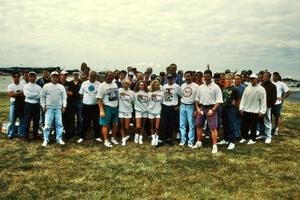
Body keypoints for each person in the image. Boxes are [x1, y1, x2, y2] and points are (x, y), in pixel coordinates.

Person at [194, 70, 223, 153]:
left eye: (208, 76)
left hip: (211, 108)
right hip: (202, 108)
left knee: (213, 128)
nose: (206, 78)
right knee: (198, 125)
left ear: (211, 76)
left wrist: (213, 110)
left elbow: (219, 101)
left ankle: (214, 145)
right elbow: (196, 99)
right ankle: (199, 142)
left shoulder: (216, 87)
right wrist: (198, 108)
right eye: (205, 76)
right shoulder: (201, 87)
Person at [40, 71, 67, 147]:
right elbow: (42, 97)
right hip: (49, 108)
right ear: (51, 78)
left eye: (56, 77)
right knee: (47, 124)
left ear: (58, 78)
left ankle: (59, 138)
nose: (54, 78)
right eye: (53, 77)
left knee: (59, 124)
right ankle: (46, 139)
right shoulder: (46, 86)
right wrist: (43, 106)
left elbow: (64, 98)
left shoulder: (61, 87)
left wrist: (64, 106)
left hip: (58, 108)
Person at [239, 74, 266, 145]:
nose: (252, 80)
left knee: (253, 126)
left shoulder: (261, 89)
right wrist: (241, 108)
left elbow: (263, 101)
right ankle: (244, 138)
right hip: (246, 110)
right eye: (251, 79)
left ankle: (252, 139)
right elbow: (243, 99)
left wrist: (262, 111)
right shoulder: (247, 88)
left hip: (255, 111)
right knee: (244, 126)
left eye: (254, 79)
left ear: (257, 80)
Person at [77, 71, 102, 144]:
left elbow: (100, 95)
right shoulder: (84, 83)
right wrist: (87, 99)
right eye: (91, 76)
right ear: (89, 76)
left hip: (95, 106)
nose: (92, 77)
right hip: (86, 106)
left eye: (94, 76)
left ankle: (97, 136)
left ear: (96, 76)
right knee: (85, 122)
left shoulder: (99, 84)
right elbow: (81, 94)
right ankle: (82, 137)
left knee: (96, 122)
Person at [97, 71, 119, 148]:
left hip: (115, 107)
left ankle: (113, 138)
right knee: (105, 125)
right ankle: (106, 140)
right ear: (105, 76)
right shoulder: (102, 86)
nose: (110, 77)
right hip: (107, 107)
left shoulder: (115, 84)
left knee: (115, 124)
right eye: (108, 76)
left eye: (111, 76)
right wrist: (101, 110)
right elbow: (99, 99)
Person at [158, 73, 182, 146]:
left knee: (171, 124)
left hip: (173, 107)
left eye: (171, 78)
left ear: (173, 79)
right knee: (162, 124)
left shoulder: (177, 86)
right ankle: (161, 140)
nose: (170, 79)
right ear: (166, 79)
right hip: (165, 106)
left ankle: (169, 139)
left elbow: (182, 96)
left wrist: (179, 105)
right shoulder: (164, 86)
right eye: (168, 78)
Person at [217, 74, 238, 150]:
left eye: (230, 79)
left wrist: (236, 108)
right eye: (227, 79)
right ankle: (225, 139)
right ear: (225, 80)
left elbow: (237, 100)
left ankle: (232, 142)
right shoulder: (223, 89)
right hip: (223, 108)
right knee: (224, 124)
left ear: (232, 80)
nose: (228, 80)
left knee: (231, 125)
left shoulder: (234, 89)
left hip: (231, 109)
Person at [179, 71, 199, 148]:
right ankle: (183, 140)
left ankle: (191, 141)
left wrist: (196, 109)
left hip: (191, 106)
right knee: (182, 124)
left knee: (191, 125)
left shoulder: (196, 86)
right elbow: (181, 96)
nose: (187, 78)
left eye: (188, 76)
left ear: (192, 76)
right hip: (182, 106)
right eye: (186, 76)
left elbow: (198, 98)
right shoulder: (182, 85)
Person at [7, 71, 26, 139]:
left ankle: (21, 134)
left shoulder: (23, 85)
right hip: (13, 104)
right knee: (12, 120)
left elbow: (24, 95)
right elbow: (10, 94)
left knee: (22, 120)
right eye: (15, 77)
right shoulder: (10, 85)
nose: (16, 78)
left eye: (18, 76)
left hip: (21, 103)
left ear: (19, 77)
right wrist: (19, 93)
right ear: (12, 77)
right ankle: (10, 134)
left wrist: (16, 94)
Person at [23, 71, 42, 140]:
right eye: (31, 76)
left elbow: (40, 96)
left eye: (34, 76)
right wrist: (36, 94)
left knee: (36, 121)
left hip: (36, 105)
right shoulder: (25, 86)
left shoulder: (39, 87)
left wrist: (33, 95)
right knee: (27, 121)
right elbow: (27, 95)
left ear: (35, 77)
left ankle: (35, 135)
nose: (32, 78)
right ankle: (26, 136)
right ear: (28, 77)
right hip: (28, 105)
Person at [261, 71, 277, 144]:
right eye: (264, 76)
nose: (265, 77)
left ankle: (268, 136)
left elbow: (274, 98)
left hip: (268, 107)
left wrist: (270, 106)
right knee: (261, 121)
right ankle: (263, 134)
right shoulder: (261, 85)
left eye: (267, 76)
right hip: (260, 107)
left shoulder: (273, 86)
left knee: (267, 121)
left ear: (269, 77)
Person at [147, 80, 164, 146]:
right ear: (152, 85)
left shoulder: (162, 93)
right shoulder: (149, 93)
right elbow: (148, 102)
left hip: (158, 111)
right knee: (152, 126)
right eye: (154, 85)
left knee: (157, 127)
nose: (155, 86)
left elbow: (163, 102)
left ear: (159, 85)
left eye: (157, 85)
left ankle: (157, 138)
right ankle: (153, 138)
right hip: (151, 111)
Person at [118, 79, 134, 146]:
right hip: (121, 110)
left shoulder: (131, 92)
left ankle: (128, 134)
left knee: (126, 126)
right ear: (122, 84)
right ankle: (123, 138)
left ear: (129, 84)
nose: (125, 85)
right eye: (124, 84)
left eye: (127, 84)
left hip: (128, 111)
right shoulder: (119, 90)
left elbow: (133, 102)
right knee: (122, 126)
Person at [133, 80, 149, 145]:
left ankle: (140, 138)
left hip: (145, 111)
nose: (141, 86)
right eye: (140, 85)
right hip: (138, 111)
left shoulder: (147, 93)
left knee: (143, 125)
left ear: (145, 85)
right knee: (138, 126)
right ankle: (136, 136)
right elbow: (132, 101)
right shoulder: (135, 93)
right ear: (138, 86)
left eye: (142, 85)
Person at [68, 71, 83, 136]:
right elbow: (67, 91)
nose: (75, 76)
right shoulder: (70, 83)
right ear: (73, 75)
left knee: (80, 117)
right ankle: (72, 131)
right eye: (74, 75)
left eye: (77, 75)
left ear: (78, 75)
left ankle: (79, 131)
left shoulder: (81, 82)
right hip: (72, 102)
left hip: (79, 101)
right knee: (72, 117)